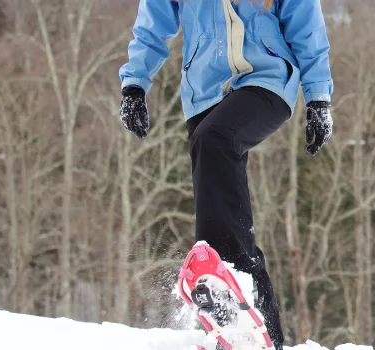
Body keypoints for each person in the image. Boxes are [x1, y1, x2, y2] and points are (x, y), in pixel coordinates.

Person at [117, 0, 334, 348]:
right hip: (203, 90)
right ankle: (258, 331)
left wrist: (318, 97)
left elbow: (306, 26)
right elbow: (153, 22)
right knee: (224, 204)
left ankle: (227, 274)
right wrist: (135, 84)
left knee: (215, 139)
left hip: (267, 78)